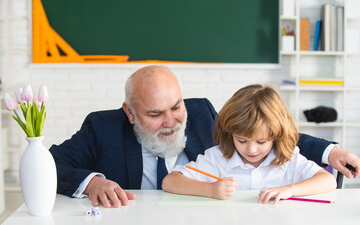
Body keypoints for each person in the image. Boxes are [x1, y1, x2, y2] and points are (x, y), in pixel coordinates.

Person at [49, 65, 360, 208]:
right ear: (130, 113)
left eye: (176, 106)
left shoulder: (202, 113)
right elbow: (52, 163)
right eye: (155, 114)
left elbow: (267, 132)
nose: (171, 121)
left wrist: (328, 152)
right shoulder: (102, 128)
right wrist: (92, 182)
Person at [162, 84, 337, 204]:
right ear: (230, 134)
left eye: (261, 142)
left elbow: (329, 180)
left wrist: (289, 190)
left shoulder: (287, 159)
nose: (251, 150)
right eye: (242, 140)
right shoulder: (218, 157)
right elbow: (170, 182)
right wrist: (211, 190)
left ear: (276, 135)